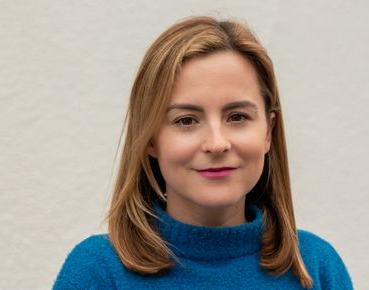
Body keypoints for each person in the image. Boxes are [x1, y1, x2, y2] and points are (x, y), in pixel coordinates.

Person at [53, 16, 353, 289]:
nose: (216, 143)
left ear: (268, 132)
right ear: (150, 140)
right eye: (186, 120)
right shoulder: (97, 272)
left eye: (237, 117)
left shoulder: (316, 267)